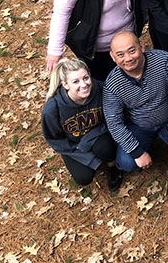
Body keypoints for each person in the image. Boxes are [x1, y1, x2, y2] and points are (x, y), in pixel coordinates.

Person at [102, 32, 168, 172]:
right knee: (127, 163)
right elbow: (114, 123)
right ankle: (145, 150)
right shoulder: (113, 85)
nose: (127, 58)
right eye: (120, 55)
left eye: (132, 51)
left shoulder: (163, 61)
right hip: (139, 126)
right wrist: (137, 153)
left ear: (142, 47)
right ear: (113, 57)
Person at [42, 58, 123, 191]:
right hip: (74, 146)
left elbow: (112, 119)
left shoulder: (101, 89)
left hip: (99, 135)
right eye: (76, 81)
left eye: (86, 78)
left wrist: (89, 139)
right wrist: (82, 154)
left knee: (105, 148)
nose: (84, 84)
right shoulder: (52, 108)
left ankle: (113, 167)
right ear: (65, 85)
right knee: (83, 178)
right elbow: (55, 139)